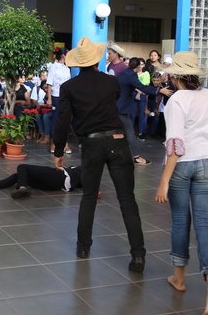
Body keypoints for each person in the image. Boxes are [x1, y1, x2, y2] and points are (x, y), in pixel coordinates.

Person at [53, 37, 147, 271]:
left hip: (92, 144)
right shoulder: (110, 83)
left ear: (78, 63)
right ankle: (138, 255)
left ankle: (83, 247)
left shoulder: (68, 87)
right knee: (127, 199)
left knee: (88, 197)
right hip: (117, 140)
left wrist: (58, 150)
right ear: (96, 60)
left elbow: (63, 120)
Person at [153, 51, 208, 315]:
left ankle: (179, 279)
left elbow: (176, 144)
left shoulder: (176, 100)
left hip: (182, 164)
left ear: (175, 75)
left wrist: (163, 180)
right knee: (205, 222)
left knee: (181, 220)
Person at [118, 57, 170, 165]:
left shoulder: (124, 73)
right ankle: (136, 157)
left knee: (119, 133)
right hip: (121, 108)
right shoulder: (131, 75)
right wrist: (160, 90)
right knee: (130, 133)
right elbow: (143, 87)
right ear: (137, 67)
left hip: (117, 106)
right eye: (140, 65)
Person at [0, 164, 83, 199]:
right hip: (55, 184)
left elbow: (88, 181)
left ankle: (22, 188)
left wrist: (93, 189)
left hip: (58, 176)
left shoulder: (87, 170)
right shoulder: (86, 170)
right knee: (20, 176)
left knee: (22, 167)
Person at [48, 47, 71, 153]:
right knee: (56, 120)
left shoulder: (67, 68)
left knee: (65, 120)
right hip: (56, 96)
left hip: (66, 97)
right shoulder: (53, 67)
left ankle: (65, 143)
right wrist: (49, 98)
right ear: (63, 55)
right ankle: (53, 143)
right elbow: (49, 83)